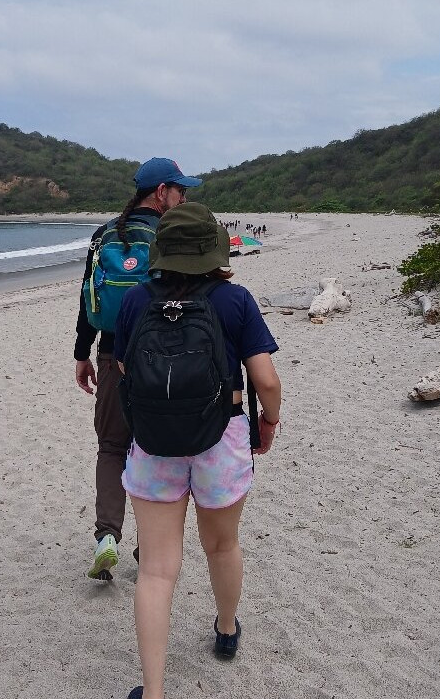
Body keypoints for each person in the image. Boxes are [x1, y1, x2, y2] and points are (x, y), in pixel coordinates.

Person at [114, 203, 282, 699]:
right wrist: (267, 422)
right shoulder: (236, 301)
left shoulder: (135, 302)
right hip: (222, 438)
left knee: (157, 569)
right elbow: (266, 381)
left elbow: (126, 373)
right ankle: (227, 629)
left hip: (153, 445)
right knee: (223, 545)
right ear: (215, 249)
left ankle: (154, 691)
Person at [75, 157, 203, 580]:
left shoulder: (105, 233)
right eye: (180, 190)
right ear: (161, 192)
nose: (184, 198)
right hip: (160, 359)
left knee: (112, 448)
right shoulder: (170, 234)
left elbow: (86, 297)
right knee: (156, 450)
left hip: (111, 355)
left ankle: (106, 536)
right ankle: (147, 547)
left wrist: (82, 354)